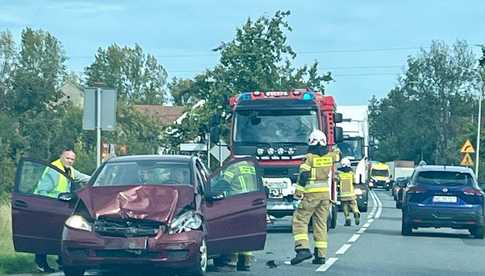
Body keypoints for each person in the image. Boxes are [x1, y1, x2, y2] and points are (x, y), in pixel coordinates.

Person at [33, 148, 91, 273]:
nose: (70, 161)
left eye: (72, 159)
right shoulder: (54, 170)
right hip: (46, 206)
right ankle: (41, 263)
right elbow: (42, 191)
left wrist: (98, 179)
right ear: (61, 157)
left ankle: (61, 261)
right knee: (46, 235)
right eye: (67, 158)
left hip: (59, 206)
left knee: (62, 233)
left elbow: (82, 177)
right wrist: (57, 199)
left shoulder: (69, 170)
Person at [291, 129, 340, 266]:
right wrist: (334, 148)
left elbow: (304, 176)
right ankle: (320, 256)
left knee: (300, 221)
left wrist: (298, 193)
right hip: (325, 196)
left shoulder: (309, 158)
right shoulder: (330, 156)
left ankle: (302, 249)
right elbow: (338, 156)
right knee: (321, 224)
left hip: (310, 195)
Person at [213, 160, 257, 272]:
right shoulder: (251, 168)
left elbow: (224, 183)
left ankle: (231, 262)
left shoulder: (233, 168)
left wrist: (212, 192)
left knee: (234, 232)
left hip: (237, 203)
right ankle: (245, 262)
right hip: (252, 203)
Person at [338, 158, 360, 226]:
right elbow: (355, 182)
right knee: (354, 204)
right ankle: (356, 212)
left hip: (343, 194)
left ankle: (347, 218)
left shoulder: (340, 174)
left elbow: (337, 181)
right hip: (351, 194)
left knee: (345, 206)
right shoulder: (351, 174)